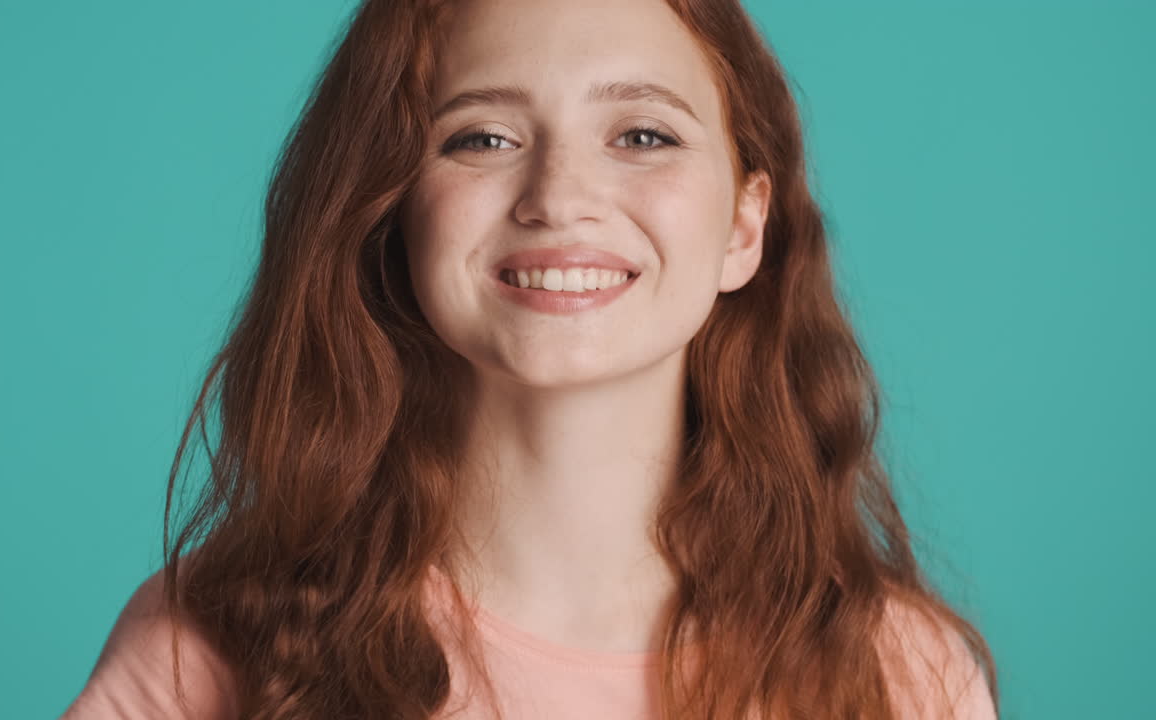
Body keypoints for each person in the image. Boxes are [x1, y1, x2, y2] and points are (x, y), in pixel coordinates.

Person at [60, 0, 1000, 718]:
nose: (558, 197)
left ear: (744, 225)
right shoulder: (215, 644)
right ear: (393, 216)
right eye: (483, 137)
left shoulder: (900, 673)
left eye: (643, 134)